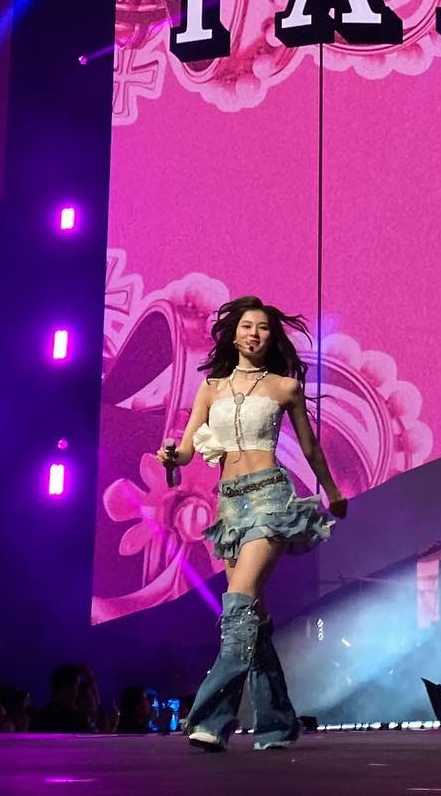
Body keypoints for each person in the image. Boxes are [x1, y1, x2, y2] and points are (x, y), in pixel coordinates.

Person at [157, 296, 347, 753]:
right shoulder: (210, 389)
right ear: (234, 334)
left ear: (270, 336)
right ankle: (277, 723)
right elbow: (187, 450)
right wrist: (171, 457)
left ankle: (211, 718)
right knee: (254, 618)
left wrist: (332, 490)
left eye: (262, 328)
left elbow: (311, 448)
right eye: (247, 326)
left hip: (269, 498)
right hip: (229, 505)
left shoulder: (285, 387)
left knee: (238, 603)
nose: (254, 334)